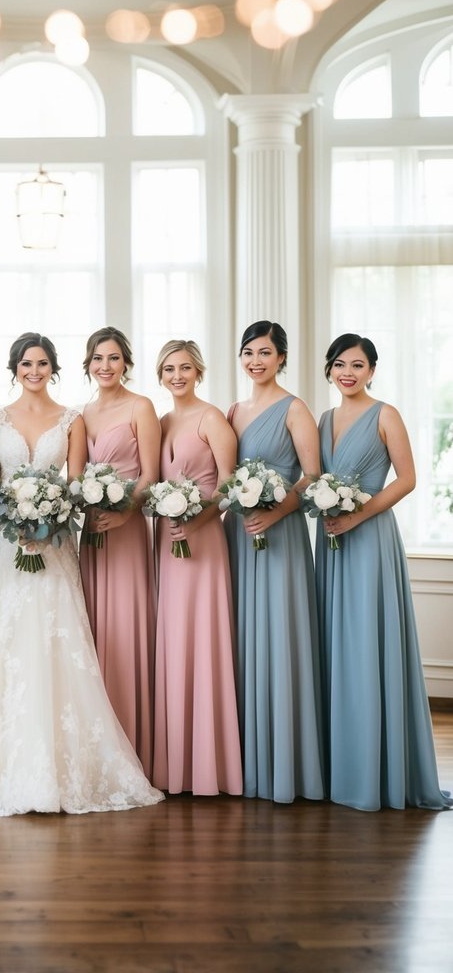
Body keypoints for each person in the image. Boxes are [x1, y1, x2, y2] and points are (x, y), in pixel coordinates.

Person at [0, 333, 163, 814]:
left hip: (54, 546)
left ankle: (63, 767)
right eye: (25, 363)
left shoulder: (72, 420)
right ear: (14, 368)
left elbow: (75, 485)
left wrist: (49, 518)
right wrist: (14, 520)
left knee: (57, 643)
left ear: (53, 368)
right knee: (4, 643)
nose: (33, 370)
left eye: (41, 363)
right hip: (8, 544)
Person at [315, 333, 449, 810]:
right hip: (331, 540)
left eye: (357, 365)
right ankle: (342, 764)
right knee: (337, 644)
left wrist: (356, 515)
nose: (347, 372)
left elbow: (409, 479)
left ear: (372, 370)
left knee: (366, 640)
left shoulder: (385, 414)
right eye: (338, 364)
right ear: (329, 370)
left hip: (369, 537)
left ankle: (376, 771)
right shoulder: (325, 418)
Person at [224, 320, 325, 803]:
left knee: (278, 636)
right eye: (248, 352)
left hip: (279, 533)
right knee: (242, 635)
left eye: (265, 352)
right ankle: (243, 757)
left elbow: (312, 476)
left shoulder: (295, 408)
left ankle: (285, 760)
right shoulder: (234, 410)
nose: (256, 360)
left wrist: (276, 510)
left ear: (281, 357)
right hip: (239, 535)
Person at [152, 339, 242, 797]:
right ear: (160, 374)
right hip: (167, 543)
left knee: (203, 638)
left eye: (185, 367)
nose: (177, 376)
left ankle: (209, 764)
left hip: (202, 539)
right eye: (169, 368)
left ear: (199, 372)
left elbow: (229, 484)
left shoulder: (213, 419)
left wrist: (197, 520)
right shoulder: (163, 420)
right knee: (174, 638)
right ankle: (175, 765)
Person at [78, 327, 160, 774]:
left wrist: (127, 511)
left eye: (113, 358)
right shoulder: (83, 412)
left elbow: (149, 472)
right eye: (97, 358)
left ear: (126, 362)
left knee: (126, 627)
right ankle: (96, 739)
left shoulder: (140, 407)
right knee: (94, 629)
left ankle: (131, 741)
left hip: (126, 531)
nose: (105, 366)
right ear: (88, 364)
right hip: (91, 533)